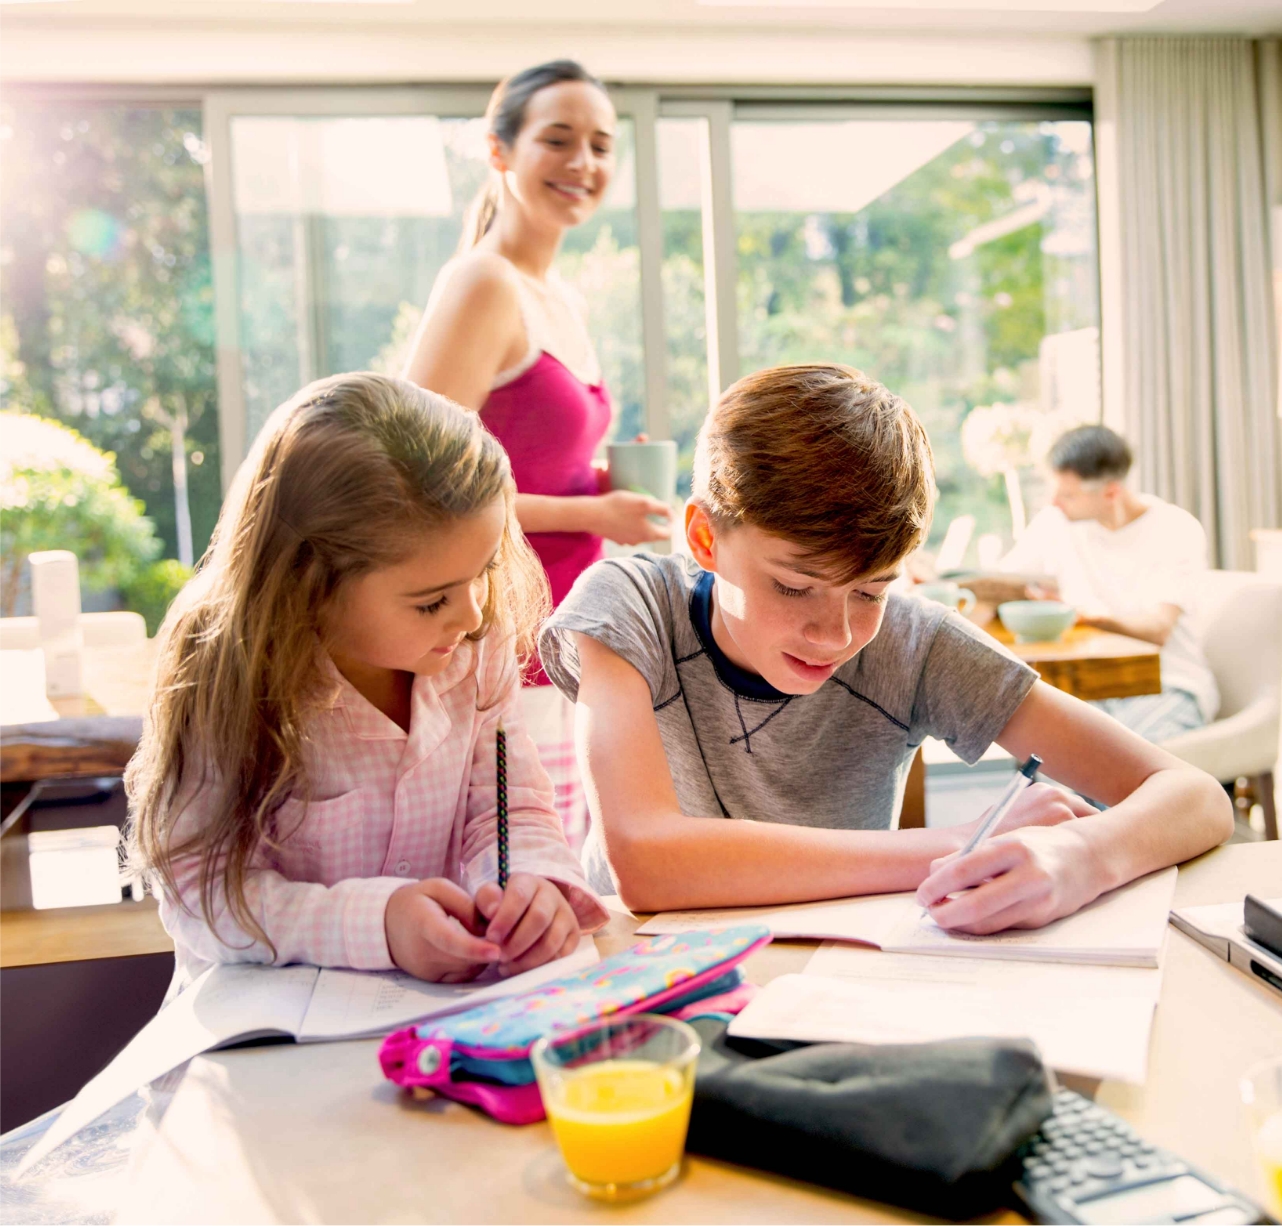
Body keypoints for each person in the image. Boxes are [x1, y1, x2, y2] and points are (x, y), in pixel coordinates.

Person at [538, 364, 1232, 930]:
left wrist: (1081, 854)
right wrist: (957, 846)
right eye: (793, 587)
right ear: (704, 539)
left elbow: (1195, 797)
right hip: (643, 992)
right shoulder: (628, 605)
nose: (836, 635)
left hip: (833, 983)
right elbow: (646, 863)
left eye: (870, 592)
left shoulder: (913, 641)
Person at [126, 373, 607, 992]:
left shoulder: (471, 645)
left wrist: (531, 884)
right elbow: (204, 895)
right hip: (263, 1031)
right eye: (432, 601)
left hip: (433, 1013)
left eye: (484, 571)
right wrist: (377, 924)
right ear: (309, 585)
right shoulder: (225, 677)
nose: (474, 614)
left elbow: (507, 809)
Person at [403, 60, 670, 850]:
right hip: (492, 633)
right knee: (516, 872)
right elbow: (418, 482)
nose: (583, 163)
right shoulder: (482, 283)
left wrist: (603, 485)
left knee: (557, 870)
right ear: (499, 152)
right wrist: (594, 510)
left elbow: (523, 460)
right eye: (557, 140)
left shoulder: (560, 297)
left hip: (562, 626)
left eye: (600, 144)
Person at [995, 424, 1219, 742]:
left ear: (1111, 492)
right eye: (1054, 490)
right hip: (1091, 685)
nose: (1054, 502)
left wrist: (1085, 615)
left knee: (1131, 773)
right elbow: (1004, 581)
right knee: (1055, 764)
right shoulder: (1057, 522)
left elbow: (1157, 628)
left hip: (1167, 684)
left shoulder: (1173, 528)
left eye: (1068, 495)